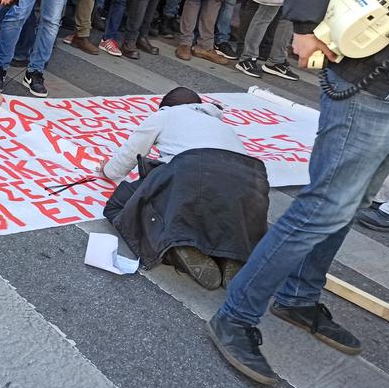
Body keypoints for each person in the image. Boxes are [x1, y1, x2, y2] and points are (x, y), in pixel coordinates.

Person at [207, 0, 389, 385]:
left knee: (353, 201)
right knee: (326, 205)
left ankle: (299, 295)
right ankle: (237, 314)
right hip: (372, 67)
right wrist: (307, 20)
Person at [101, 87, 268, 290]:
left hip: (194, 173)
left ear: (165, 107)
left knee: (122, 203)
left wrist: (107, 171)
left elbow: (126, 157)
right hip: (251, 185)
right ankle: (231, 256)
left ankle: (175, 248)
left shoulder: (165, 116)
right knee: (218, 206)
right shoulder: (220, 125)